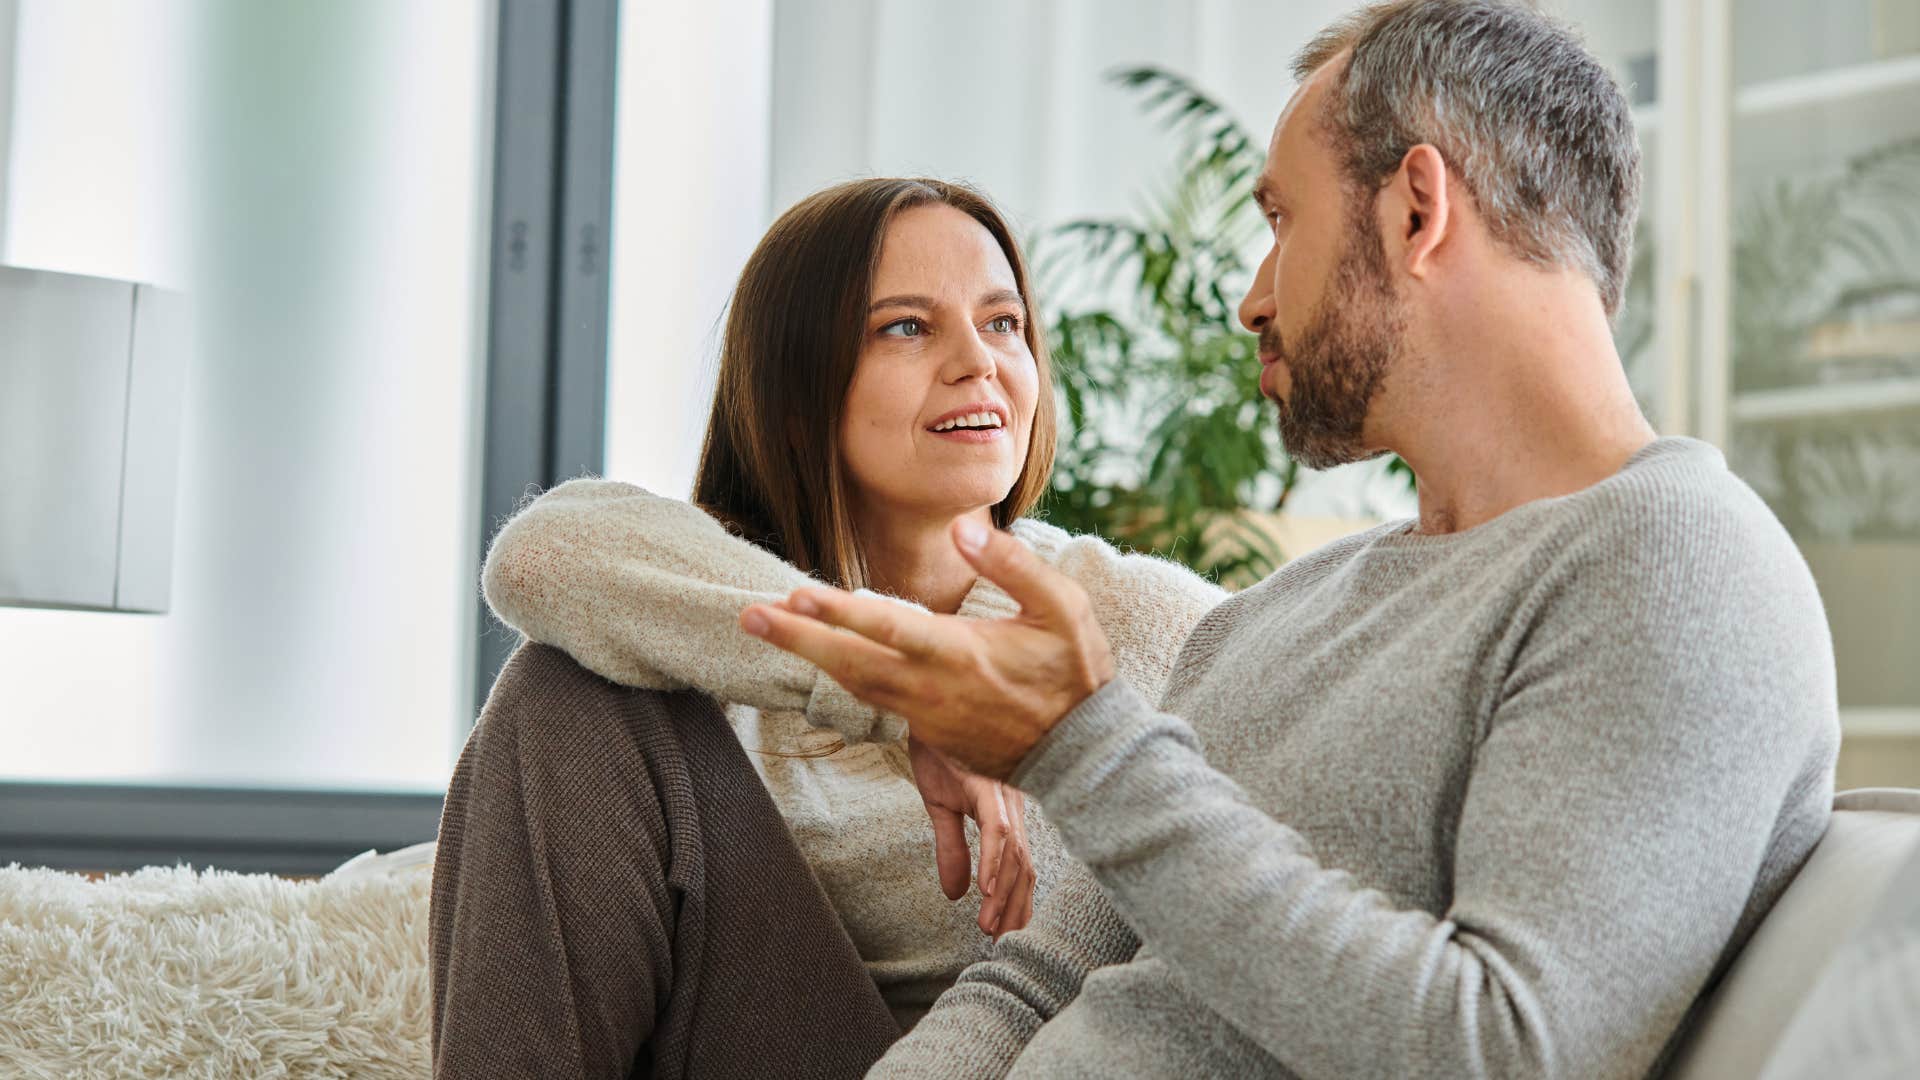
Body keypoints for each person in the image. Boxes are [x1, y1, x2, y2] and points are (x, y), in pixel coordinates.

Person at [740, 2, 1843, 1077]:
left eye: (1281, 221)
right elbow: (1030, 984)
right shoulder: (1271, 618)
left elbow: (1505, 1052)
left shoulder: (1675, 565)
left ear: (1418, 211)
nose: (1253, 299)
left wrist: (1083, 748)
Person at [427, 177, 1225, 1077]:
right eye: (907, 327)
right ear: (799, 383)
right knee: (560, 689)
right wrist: (908, 697)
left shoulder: (1128, 613)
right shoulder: (705, 597)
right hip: (764, 1040)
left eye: (1004, 323)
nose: (980, 362)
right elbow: (539, 554)